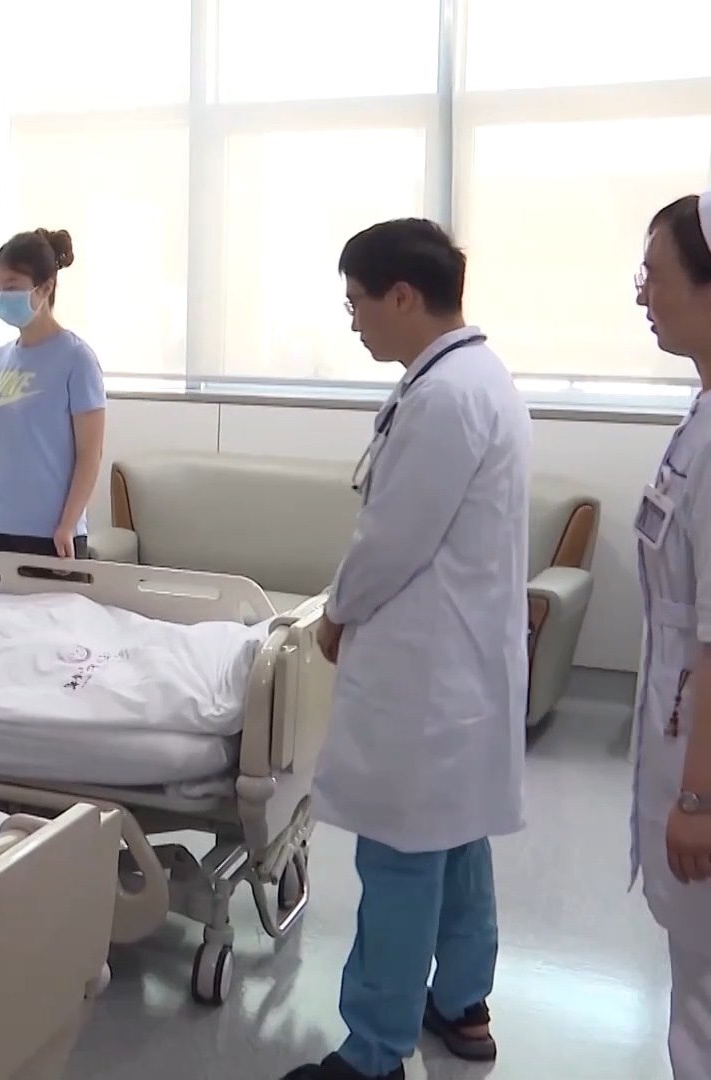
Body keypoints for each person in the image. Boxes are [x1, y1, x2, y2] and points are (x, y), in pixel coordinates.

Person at [283, 219, 530, 1080]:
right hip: (463, 669)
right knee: (458, 844)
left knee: (399, 860)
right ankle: (461, 1004)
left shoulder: (443, 398)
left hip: (427, 678)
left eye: (357, 302)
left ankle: (373, 1052)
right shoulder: (477, 378)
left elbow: (392, 539)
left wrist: (336, 614)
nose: (353, 320)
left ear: (402, 296)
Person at [630, 190, 711, 1080]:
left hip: (702, 761)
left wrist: (698, 799)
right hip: (684, 726)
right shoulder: (701, 414)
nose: (642, 293)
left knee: (703, 1003)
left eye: (655, 274)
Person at [0, 228, 107, 574]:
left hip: (50, 537)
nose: (0, 296)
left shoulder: (77, 359)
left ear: (45, 287)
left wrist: (67, 525)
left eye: (11, 287)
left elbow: (90, 455)